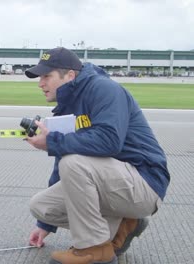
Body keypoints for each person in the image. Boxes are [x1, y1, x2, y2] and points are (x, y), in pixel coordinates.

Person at [24, 47, 170, 264]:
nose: (40, 83)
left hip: (144, 181)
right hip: (112, 183)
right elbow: (62, 162)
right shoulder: (68, 105)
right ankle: (123, 224)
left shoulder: (104, 89)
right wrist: (45, 226)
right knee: (41, 206)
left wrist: (52, 141)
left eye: (47, 76)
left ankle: (93, 249)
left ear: (70, 75)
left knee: (74, 163)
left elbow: (109, 141)